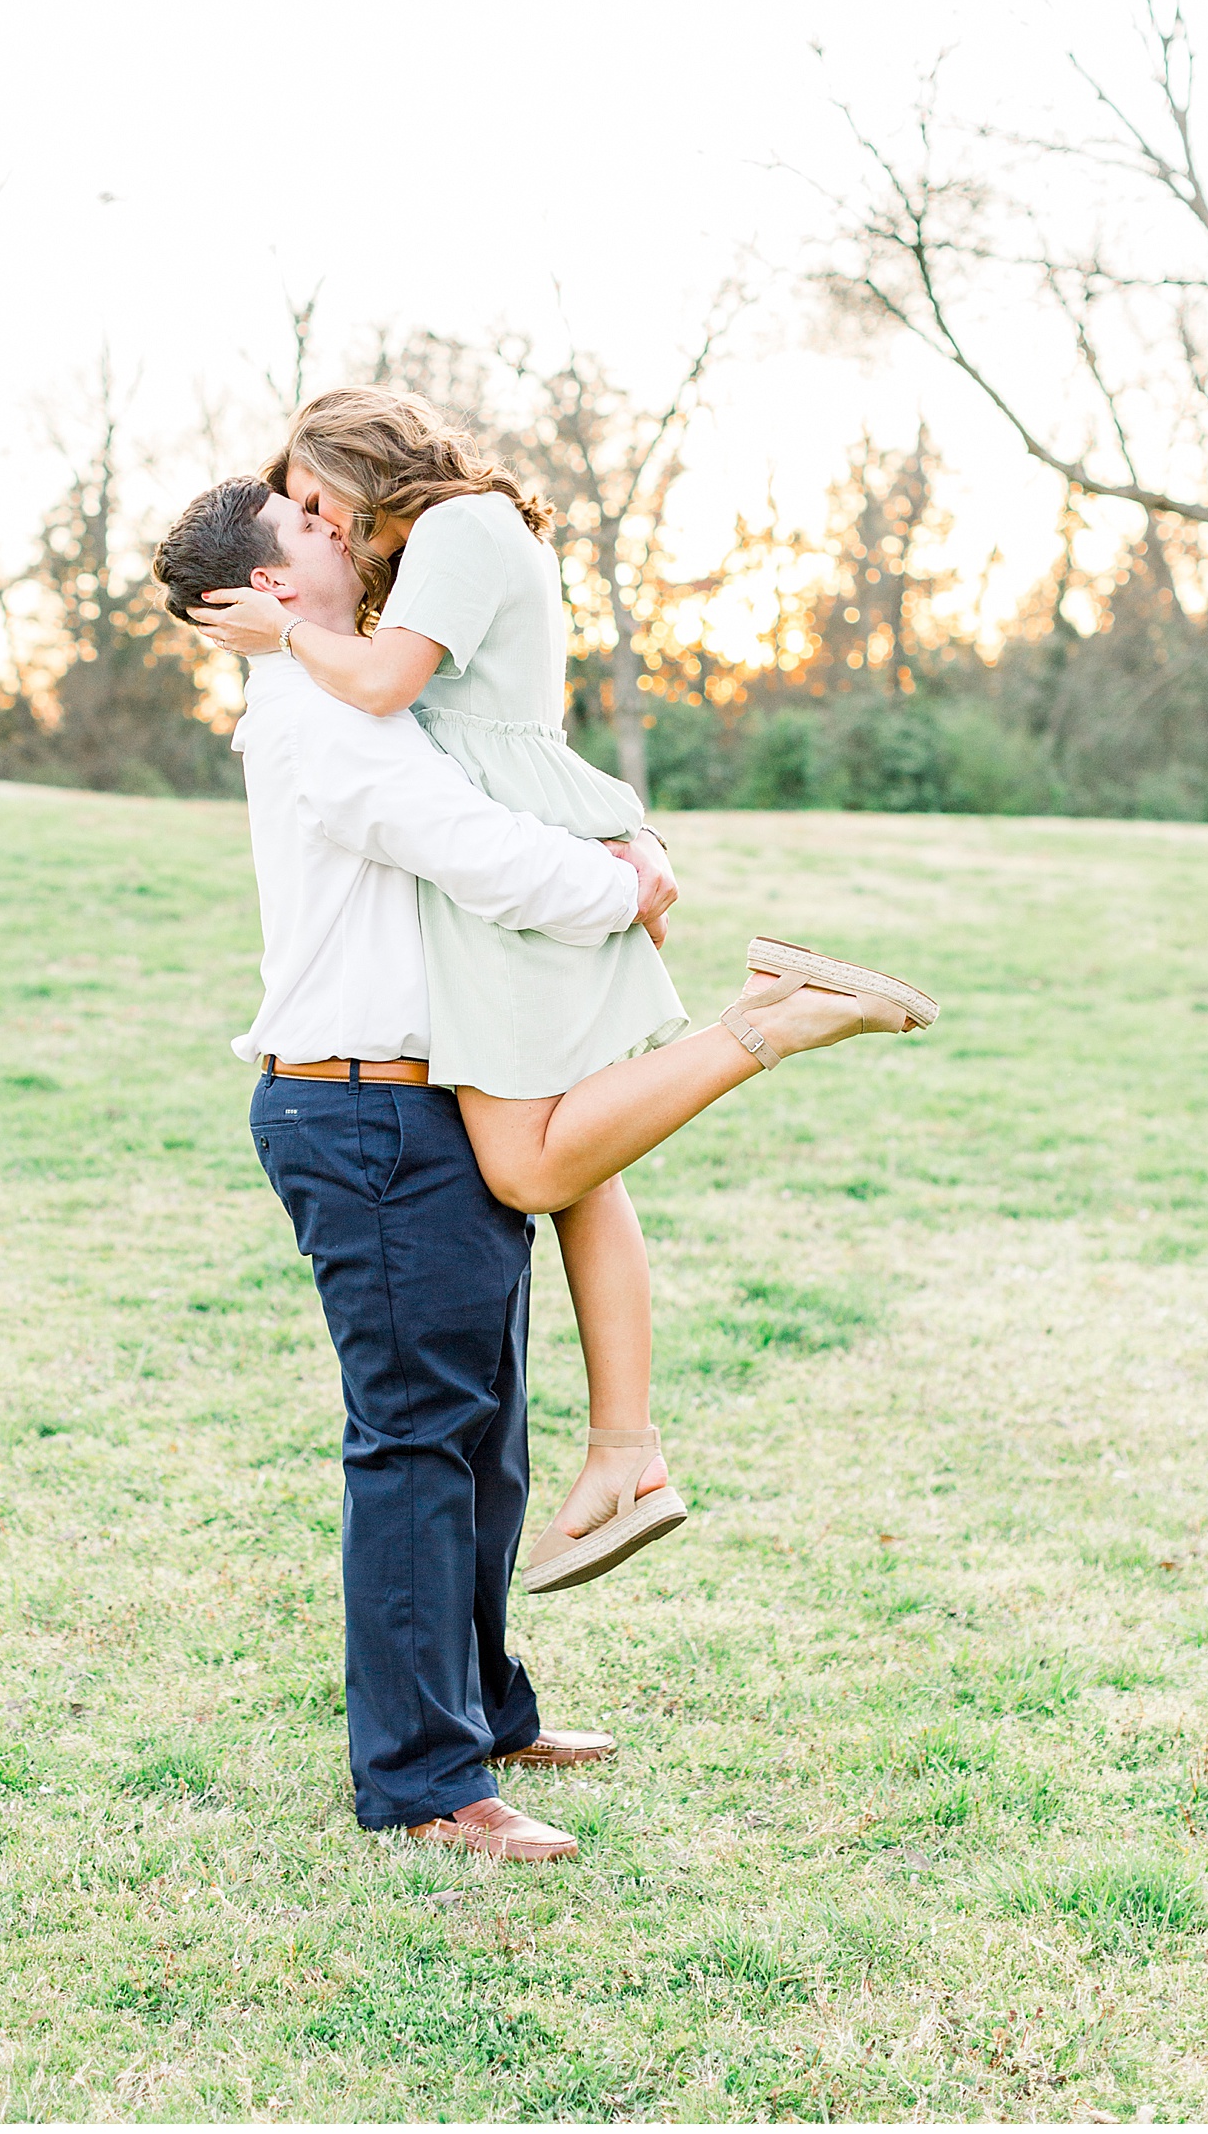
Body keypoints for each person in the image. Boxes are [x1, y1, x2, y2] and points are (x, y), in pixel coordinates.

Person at [190, 388, 937, 1596]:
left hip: (512, 883)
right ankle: (626, 1454)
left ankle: (764, 1019)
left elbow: (387, 690)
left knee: (535, 1167)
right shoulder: (454, 541)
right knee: (584, 1172)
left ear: (363, 462)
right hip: (521, 857)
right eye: (306, 517)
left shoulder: (456, 529)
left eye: (323, 500)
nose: (326, 525)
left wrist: (279, 637)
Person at [151, 474, 677, 1863]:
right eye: (309, 524)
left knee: (480, 1436)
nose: (342, 526)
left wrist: (624, 837)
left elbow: (510, 782)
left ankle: (486, 1710)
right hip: (362, 1112)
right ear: (273, 587)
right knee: (415, 1447)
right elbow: (478, 852)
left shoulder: (370, 692)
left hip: (426, 1103)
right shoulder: (316, 716)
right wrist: (623, 887)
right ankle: (424, 1781)